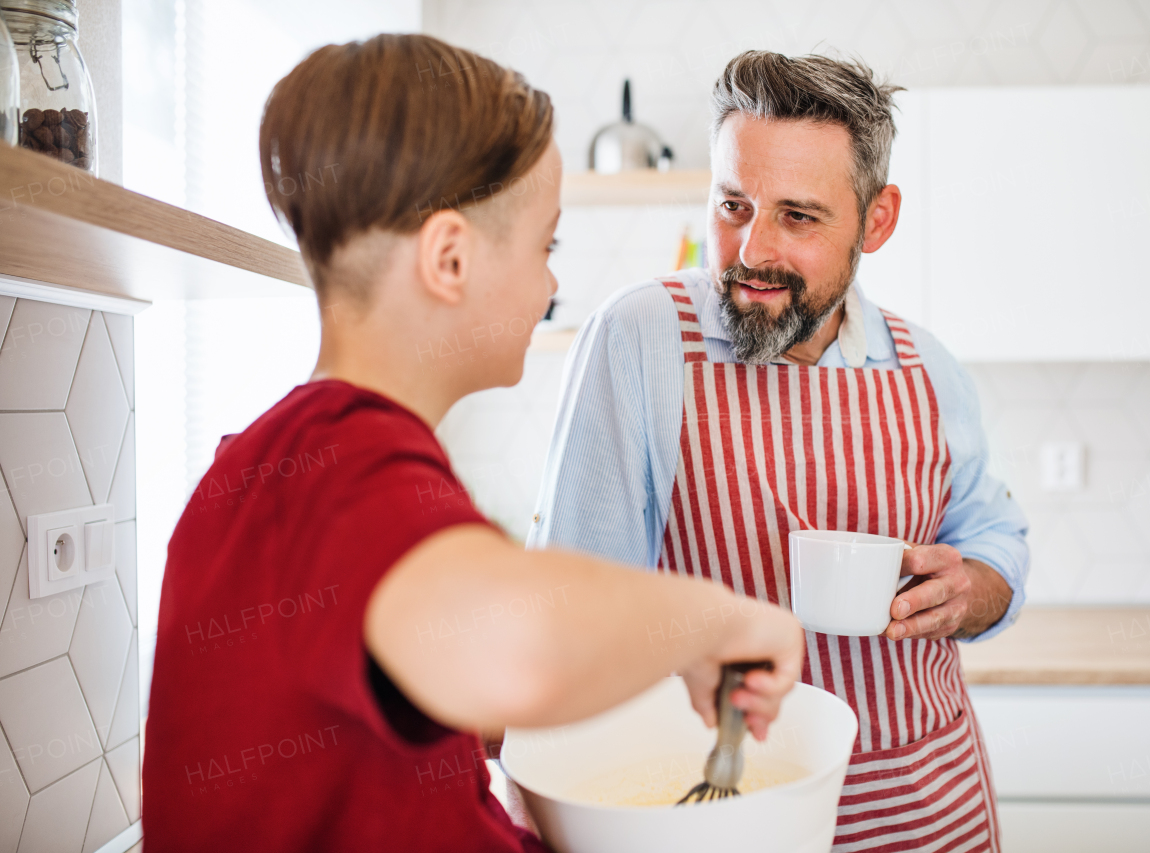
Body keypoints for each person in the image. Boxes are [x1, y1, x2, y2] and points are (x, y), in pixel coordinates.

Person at [142, 35, 804, 852]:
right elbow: (514, 649)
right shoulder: (343, 460)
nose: (552, 285)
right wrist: (722, 620)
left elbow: (424, 700)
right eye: (545, 247)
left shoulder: (269, 463)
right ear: (450, 259)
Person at [529, 51, 1031, 852]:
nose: (752, 249)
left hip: (932, 810)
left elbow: (996, 535)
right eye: (733, 204)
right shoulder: (641, 338)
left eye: (798, 216)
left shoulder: (928, 366)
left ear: (878, 218)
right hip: (727, 811)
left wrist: (977, 588)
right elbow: (569, 607)